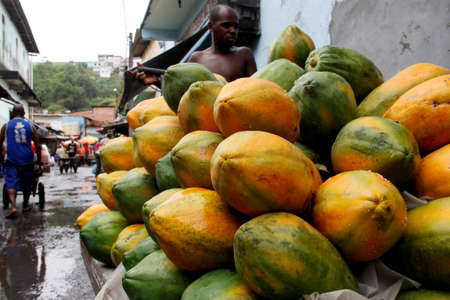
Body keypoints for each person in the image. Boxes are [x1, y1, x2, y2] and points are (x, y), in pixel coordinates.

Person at [132, 4, 256, 84]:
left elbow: (258, 91)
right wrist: (157, 81)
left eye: (236, 27)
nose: (233, 31)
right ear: (210, 27)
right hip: (205, 123)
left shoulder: (244, 54)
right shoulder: (197, 59)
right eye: (226, 25)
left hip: (238, 123)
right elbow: (183, 90)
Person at [0, 104, 41, 219]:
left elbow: (0, 141)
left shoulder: (6, 125)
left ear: (12, 113)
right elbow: (37, 144)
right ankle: (25, 205)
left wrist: (1, 155)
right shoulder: (30, 126)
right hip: (27, 159)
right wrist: (38, 159)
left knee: (11, 182)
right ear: (24, 114)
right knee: (27, 182)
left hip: (12, 159)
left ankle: (13, 206)